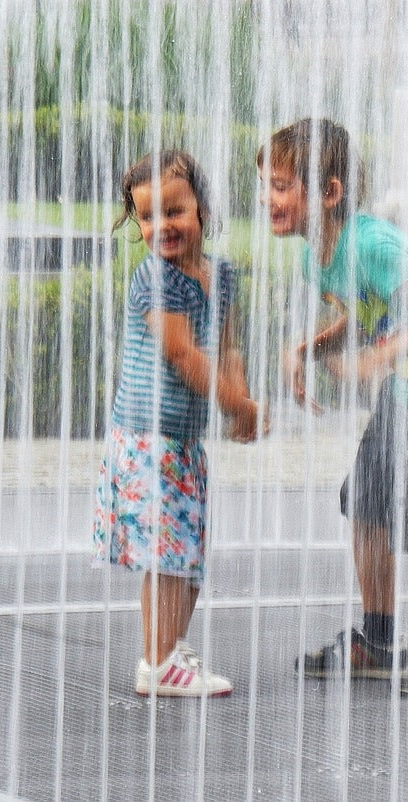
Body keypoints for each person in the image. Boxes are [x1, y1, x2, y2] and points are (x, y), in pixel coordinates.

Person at [259, 118, 408, 697]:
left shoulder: (373, 244)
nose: (269, 198)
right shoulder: (320, 257)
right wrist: (313, 349)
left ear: (330, 193)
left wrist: (384, 354)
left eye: (284, 185)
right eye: (267, 183)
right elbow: (366, 314)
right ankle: (379, 639)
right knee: (365, 496)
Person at [93, 149, 266, 698]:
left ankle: (167, 649)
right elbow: (183, 356)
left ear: (202, 211)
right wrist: (236, 405)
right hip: (147, 441)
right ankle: (157, 660)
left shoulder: (222, 276)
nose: (161, 226)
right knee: (168, 558)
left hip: (181, 442)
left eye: (174, 211)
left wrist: (239, 393)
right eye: (148, 216)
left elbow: (226, 346)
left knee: (185, 557)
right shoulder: (157, 279)